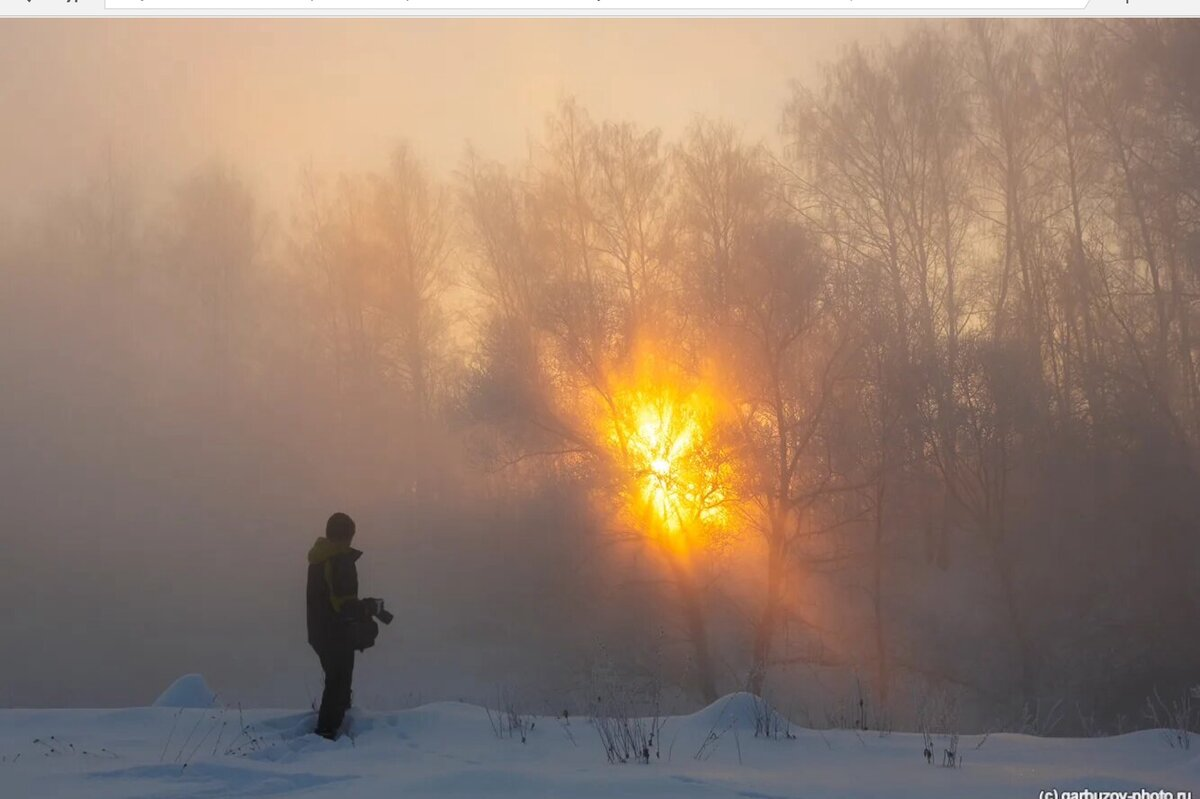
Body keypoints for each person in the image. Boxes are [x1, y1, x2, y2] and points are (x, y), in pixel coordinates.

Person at [306, 511, 379, 739]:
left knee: (337, 679)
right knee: (338, 681)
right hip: (336, 631)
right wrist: (369, 608)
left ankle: (337, 725)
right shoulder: (338, 560)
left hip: (319, 630)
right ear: (347, 536)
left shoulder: (320, 558)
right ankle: (327, 734)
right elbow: (343, 604)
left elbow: (331, 599)